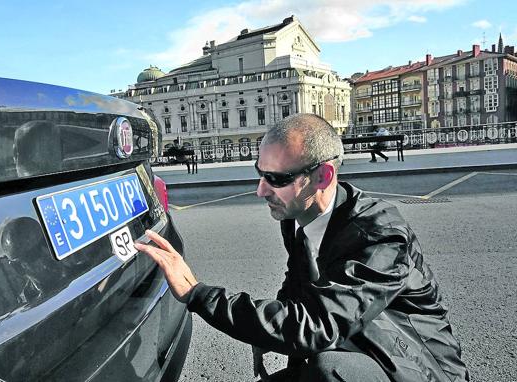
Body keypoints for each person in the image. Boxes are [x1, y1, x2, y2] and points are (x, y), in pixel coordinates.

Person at [134, 114, 469, 382]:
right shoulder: (298, 213)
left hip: (414, 366)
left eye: (277, 179)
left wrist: (197, 294)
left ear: (322, 176)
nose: (260, 190)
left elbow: (317, 326)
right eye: (260, 173)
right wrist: (265, 338)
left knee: (330, 368)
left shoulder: (380, 235)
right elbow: (298, 281)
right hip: (359, 344)